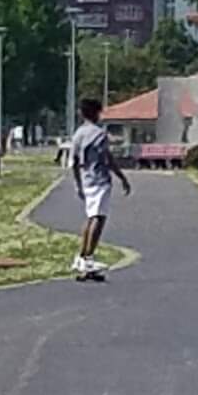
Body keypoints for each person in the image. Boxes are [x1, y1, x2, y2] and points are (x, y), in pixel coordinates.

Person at [69, 97, 130, 281]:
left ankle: (82, 258)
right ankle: (88, 258)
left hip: (86, 179)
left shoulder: (78, 134)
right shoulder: (99, 134)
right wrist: (121, 177)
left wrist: (77, 184)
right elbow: (107, 158)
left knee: (90, 217)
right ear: (96, 113)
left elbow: (74, 162)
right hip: (100, 179)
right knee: (98, 218)